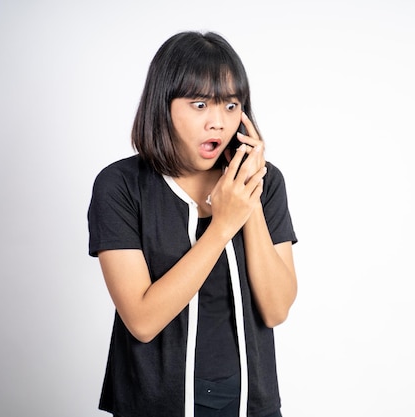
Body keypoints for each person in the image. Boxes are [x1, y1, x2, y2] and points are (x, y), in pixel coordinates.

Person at [87, 31, 298, 417]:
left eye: (231, 105)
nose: (218, 122)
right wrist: (221, 227)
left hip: (250, 402)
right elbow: (143, 320)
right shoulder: (120, 186)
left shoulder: (266, 182)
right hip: (154, 405)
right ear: (163, 106)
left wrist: (246, 196)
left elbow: (276, 309)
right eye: (200, 104)